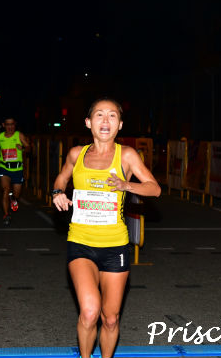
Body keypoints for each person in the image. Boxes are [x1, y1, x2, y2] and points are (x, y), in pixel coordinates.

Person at [52, 98, 161, 358]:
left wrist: (126, 185)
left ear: (120, 124)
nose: (105, 120)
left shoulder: (127, 155)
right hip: (81, 243)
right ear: (88, 122)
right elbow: (62, 178)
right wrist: (57, 192)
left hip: (115, 247)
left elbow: (155, 189)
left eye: (112, 116)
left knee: (110, 318)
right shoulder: (76, 154)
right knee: (90, 312)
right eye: (99, 115)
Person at [0, 117, 30, 225]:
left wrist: (23, 148)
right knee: (5, 190)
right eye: (8, 124)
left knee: (17, 194)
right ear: (3, 125)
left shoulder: (19, 135)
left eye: (12, 124)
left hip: (17, 169)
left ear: (15, 125)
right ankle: (6, 214)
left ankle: (14, 199)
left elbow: (28, 147)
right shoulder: (0, 136)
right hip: (4, 167)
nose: (10, 127)